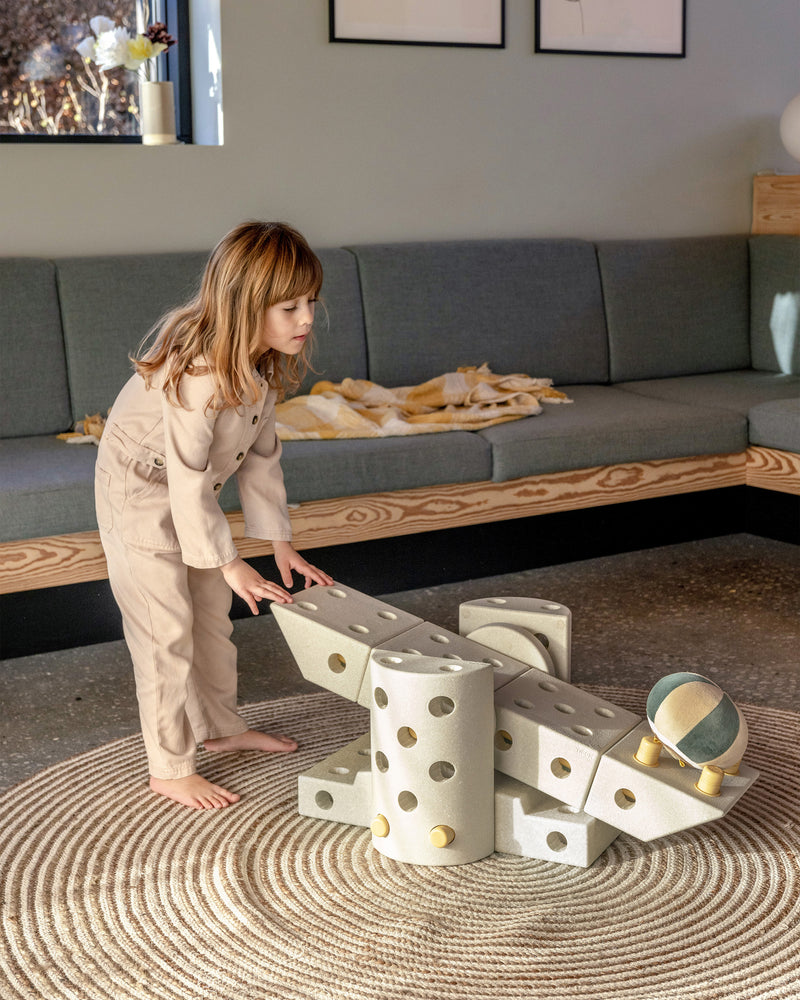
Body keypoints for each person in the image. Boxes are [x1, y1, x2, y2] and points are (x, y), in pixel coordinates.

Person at [95, 221, 333, 810]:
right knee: (165, 631)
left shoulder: (259, 369)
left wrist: (279, 544)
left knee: (210, 620)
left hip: (190, 492)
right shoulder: (199, 376)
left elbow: (261, 461)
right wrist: (230, 562)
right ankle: (169, 767)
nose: (306, 319)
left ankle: (221, 730)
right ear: (245, 305)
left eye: (311, 303)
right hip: (140, 491)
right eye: (289, 307)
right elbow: (184, 481)